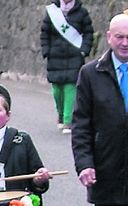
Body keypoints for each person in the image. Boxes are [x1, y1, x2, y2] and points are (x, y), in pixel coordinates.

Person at [71, 13, 128, 206]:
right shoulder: (91, 73)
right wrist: (84, 163)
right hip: (105, 167)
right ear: (108, 37)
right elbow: (81, 123)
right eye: (120, 37)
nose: (125, 43)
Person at [40, 0, 92, 135]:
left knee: (70, 88)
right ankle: (61, 114)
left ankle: (68, 120)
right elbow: (45, 33)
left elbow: (88, 33)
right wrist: (46, 50)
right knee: (56, 91)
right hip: (55, 57)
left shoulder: (82, 12)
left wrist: (84, 50)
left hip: (74, 57)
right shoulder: (52, 12)